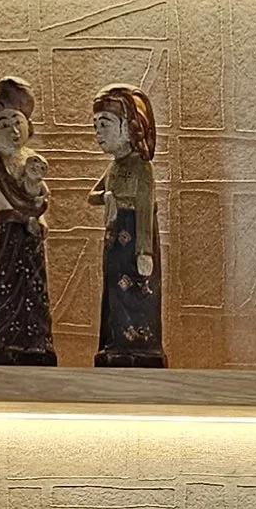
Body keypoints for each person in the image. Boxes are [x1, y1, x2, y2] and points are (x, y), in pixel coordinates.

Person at [0, 77, 55, 366]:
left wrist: (41, 220)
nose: (13, 130)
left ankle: (37, 344)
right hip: (6, 236)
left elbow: (41, 201)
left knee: (33, 289)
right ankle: (3, 344)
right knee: (6, 293)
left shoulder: (33, 160)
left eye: (17, 122)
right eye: (4, 124)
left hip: (30, 235)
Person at [89, 84, 166, 367]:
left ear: (129, 127)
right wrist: (108, 197)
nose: (98, 132)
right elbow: (93, 195)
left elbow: (145, 209)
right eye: (96, 124)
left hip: (134, 237)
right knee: (113, 292)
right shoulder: (114, 167)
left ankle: (138, 342)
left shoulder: (141, 167)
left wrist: (145, 251)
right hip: (114, 242)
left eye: (105, 124)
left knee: (136, 292)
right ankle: (114, 340)